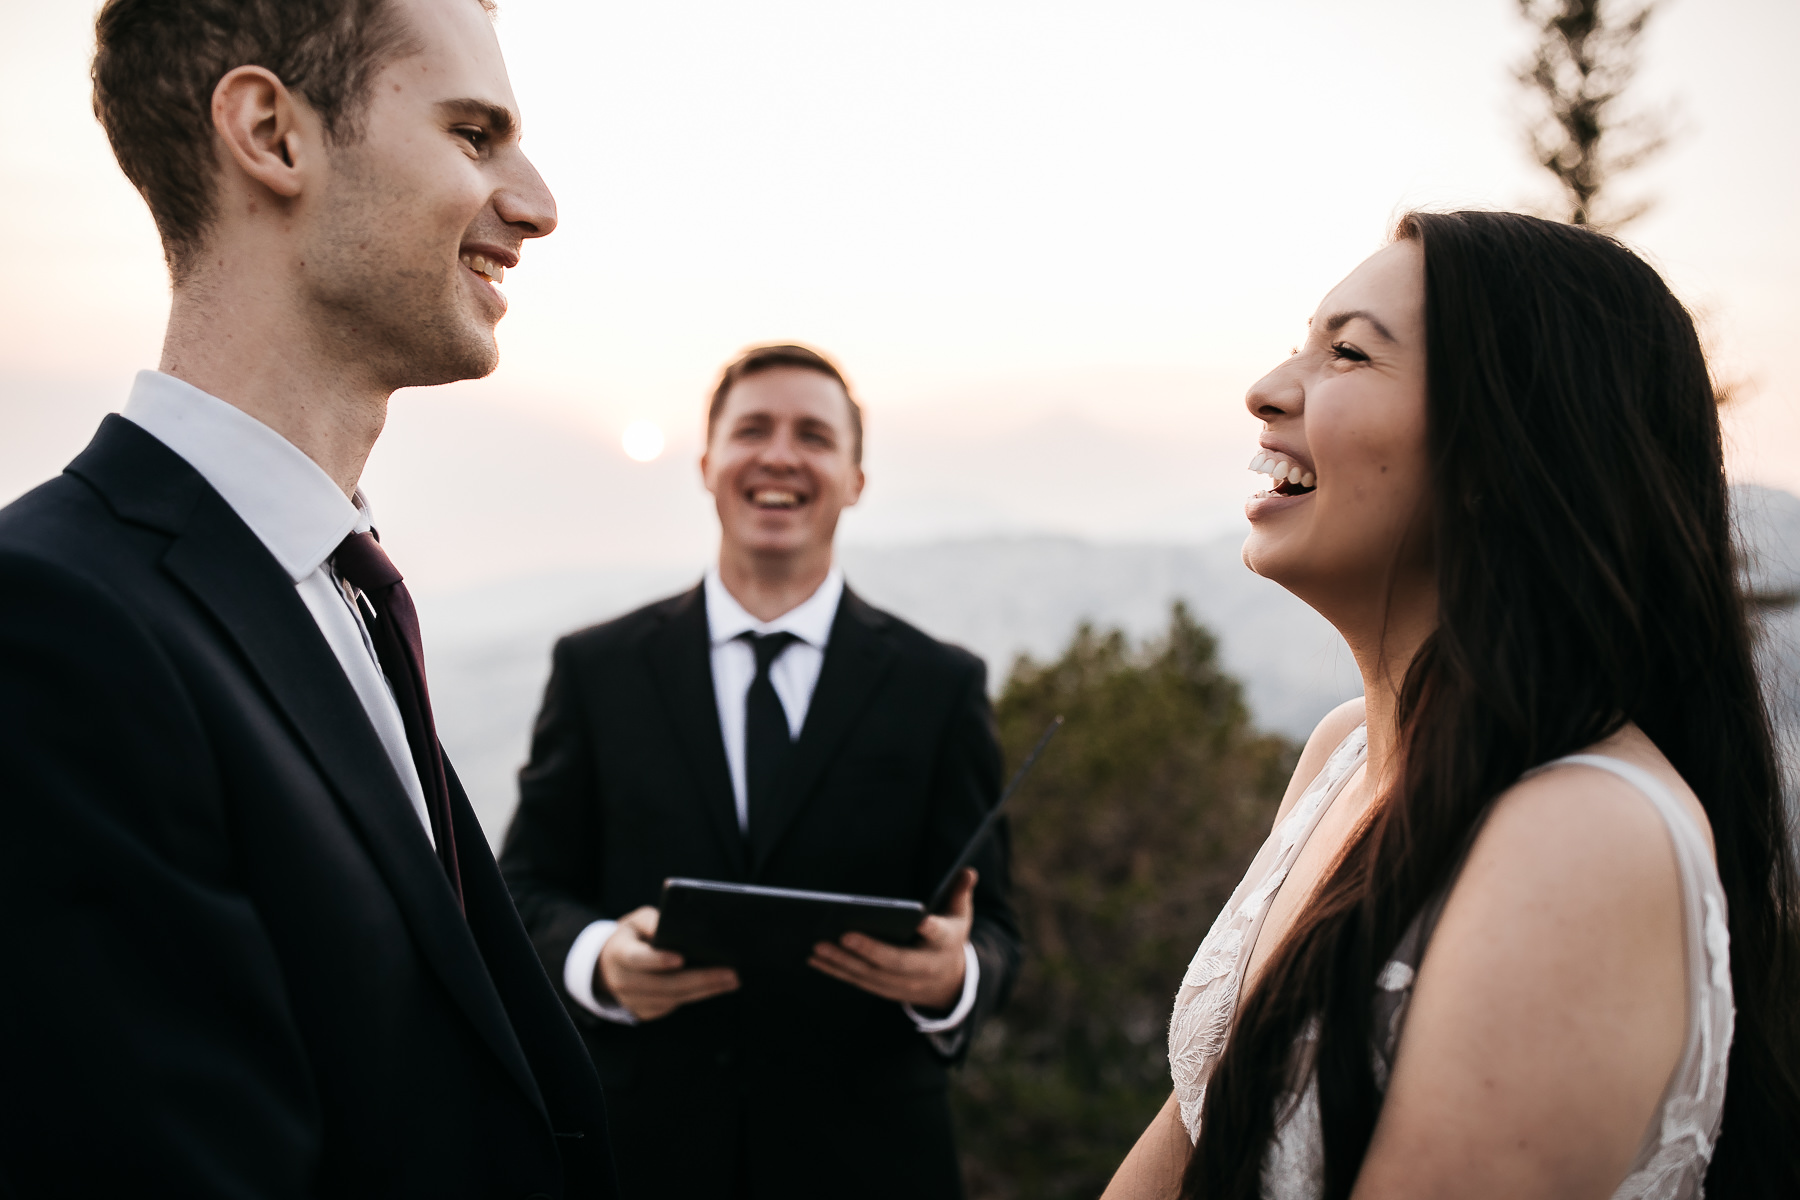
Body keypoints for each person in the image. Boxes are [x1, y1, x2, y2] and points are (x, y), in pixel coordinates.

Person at [0, 2, 618, 1195]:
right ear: (272, 135)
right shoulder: (53, 631)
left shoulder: (341, 591)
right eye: (475, 133)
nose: (536, 203)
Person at [1102, 211, 1800, 1200]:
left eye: (1346, 353)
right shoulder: (1343, 754)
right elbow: (1193, 1133)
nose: (1266, 391)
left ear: (1504, 456)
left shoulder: (1582, 831)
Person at [500, 343, 1021, 1200]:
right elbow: (523, 889)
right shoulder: (598, 669)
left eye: (814, 436)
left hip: (871, 1162)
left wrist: (953, 979)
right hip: (644, 1159)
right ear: (708, 465)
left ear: (855, 479)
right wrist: (598, 959)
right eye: (754, 430)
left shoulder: (941, 686)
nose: (780, 455)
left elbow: (996, 925)